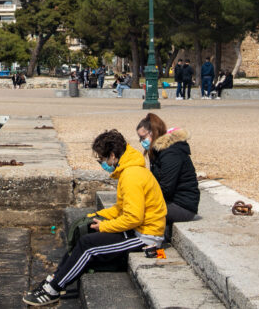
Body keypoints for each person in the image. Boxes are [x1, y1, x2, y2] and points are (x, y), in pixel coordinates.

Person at [22, 129, 166, 306]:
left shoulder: (131, 176)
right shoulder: (129, 171)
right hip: (135, 230)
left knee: (88, 247)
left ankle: (53, 289)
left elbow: (133, 218)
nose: (103, 164)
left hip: (145, 238)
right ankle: (56, 277)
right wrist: (96, 216)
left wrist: (104, 227)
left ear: (112, 156)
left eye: (102, 160)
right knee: (85, 235)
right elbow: (121, 209)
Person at [136, 113, 199, 242]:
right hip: (172, 202)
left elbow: (166, 188)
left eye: (143, 137)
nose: (142, 142)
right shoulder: (159, 151)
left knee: (139, 213)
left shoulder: (171, 153)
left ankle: (150, 243)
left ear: (153, 133)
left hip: (183, 206)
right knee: (134, 208)